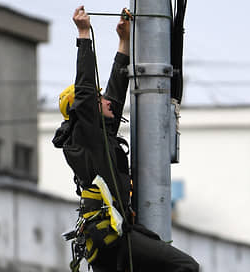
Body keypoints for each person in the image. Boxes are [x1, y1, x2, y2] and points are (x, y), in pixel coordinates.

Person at [52, 6, 199, 272]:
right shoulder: (85, 138)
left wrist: (124, 41)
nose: (106, 100)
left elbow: (116, 92)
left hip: (112, 240)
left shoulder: (99, 138)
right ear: (86, 110)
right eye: (100, 100)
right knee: (186, 267)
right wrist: (84, 34)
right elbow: (85, 90)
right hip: (115, 241)